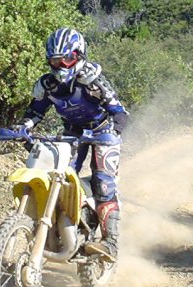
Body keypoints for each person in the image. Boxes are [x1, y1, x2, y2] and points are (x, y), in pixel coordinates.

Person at [9, 27, 129, 262]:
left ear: (79, 55)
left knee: (104, 183)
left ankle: (110, 243)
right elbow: (35, 111)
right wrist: (22, 127)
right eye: (56, 60)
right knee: (58, 176)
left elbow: (120, 112)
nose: (62, 65)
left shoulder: (93, 81)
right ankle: (59, 229)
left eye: (68, 59)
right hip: (71, 132)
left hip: (101, 131)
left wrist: (114, 131)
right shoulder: (47, 85)